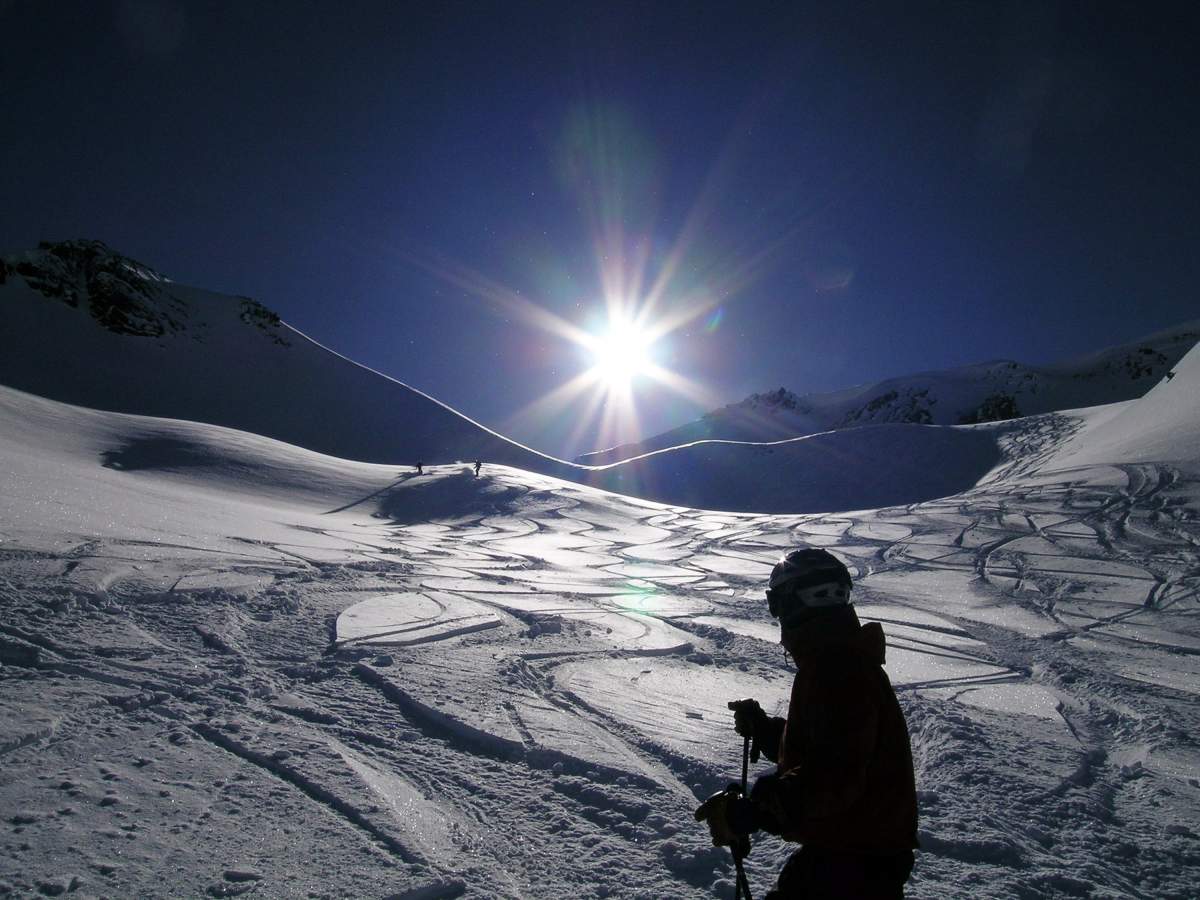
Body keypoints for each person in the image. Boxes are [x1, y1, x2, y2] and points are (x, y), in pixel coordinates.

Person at [695, 548, 918, 899]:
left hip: (854, 862)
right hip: (856, 851)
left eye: (777, 604)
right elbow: (833, 742)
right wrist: (769, 732)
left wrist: (755, 813)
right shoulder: (837, 660)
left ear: (788, 603)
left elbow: (837, 773)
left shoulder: (838, 670)